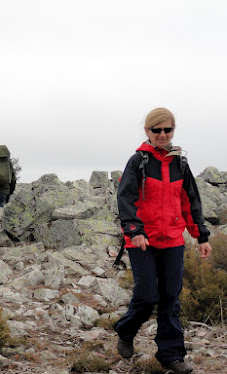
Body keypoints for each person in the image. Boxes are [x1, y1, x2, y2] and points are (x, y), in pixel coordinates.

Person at [115, 108, 212, 374]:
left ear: (173, 131)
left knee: (170, 299)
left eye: (167, 130)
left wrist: (201, 236)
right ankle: (125, 331)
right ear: (147, 131)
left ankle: (171, 355)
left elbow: (190, 202)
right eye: (156, 130)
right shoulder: (138, 161)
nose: (162, 135)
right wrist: (134, 230)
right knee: (146, 297)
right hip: (142, 241)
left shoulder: (180, 163)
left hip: (172, 241)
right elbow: (126, 198)